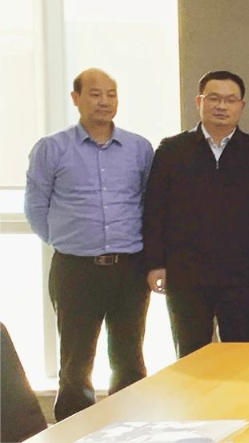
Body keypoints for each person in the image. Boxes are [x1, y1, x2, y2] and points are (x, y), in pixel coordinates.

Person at [24, 68, 153, 420]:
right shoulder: (52, 148)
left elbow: (148, 202)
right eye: (95, 94)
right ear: (76, 98)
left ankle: (130, 426)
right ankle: (73, 431)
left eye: (111, 94)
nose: (104, 101)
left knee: (129, 357)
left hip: (129, 268)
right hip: (75, 268)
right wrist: (67, 242)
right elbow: (35, 206)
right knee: (76, 360)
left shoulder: (139, 148)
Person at [143, 71, 249, 358]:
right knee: (190, 357)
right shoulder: (171, 151)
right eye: (214, 98)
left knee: (241, 357)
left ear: (241, 106)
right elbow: (155, 210)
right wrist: (156, 263)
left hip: (241, 276)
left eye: (230, 100)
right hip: (186, 275)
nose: (222, 106)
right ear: (199, 102)